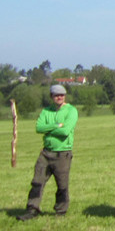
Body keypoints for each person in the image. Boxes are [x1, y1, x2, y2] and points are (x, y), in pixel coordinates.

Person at [17, 84, 79, 221]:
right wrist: (56, 125)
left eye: (62, 95)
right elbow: (39, 128)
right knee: (37, 182)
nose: (59, 97)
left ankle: (60, 212)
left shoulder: (71, 111)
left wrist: (49, 129)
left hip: (62, 154)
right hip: (46, 153)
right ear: (51, 96)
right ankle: (32, 210)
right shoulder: (46, 111)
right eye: (56, 95)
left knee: (62, 185)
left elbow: (65, 131)